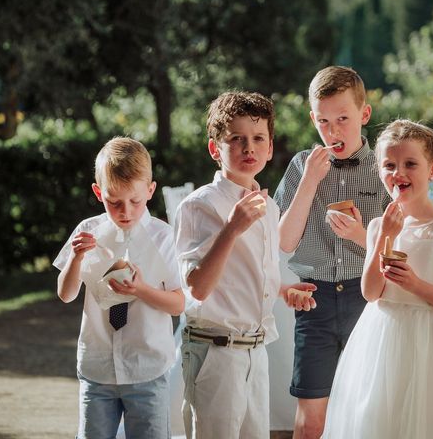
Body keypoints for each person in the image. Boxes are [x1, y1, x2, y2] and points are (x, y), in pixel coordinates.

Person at [322, 119, 433, 438]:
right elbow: (371, 292)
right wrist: (386, 236)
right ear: (378, 171)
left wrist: (417, 285)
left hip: (428, 345)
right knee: (378, 420)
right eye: (389, 165)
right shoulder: (377, 226)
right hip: (380, 342)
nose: (398, 173)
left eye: (410, 164)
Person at [174, 91, 316, 439]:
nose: (248, 148)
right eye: (236, 139)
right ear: (214, 149)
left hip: (255, 351)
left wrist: (284, 290)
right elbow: (197, 288)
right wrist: (232, 228)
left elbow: (248, 275)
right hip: (214, 352)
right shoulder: (199, 207)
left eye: (257, 139)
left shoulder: (267, 206)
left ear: (270, 148)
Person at [274, 66, 389, 439]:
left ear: (364, 115)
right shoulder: (300, 166)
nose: (334, 131)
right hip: (315, 299)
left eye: (343, 118)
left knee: (369, 409)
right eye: (324, 121)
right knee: (310, 420)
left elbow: (401, 247)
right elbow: (284, 241)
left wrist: (360, 235)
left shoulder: (383, 169)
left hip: (368, 297)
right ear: (313, 119)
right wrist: (309, 181)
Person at [54, 137, 185, 439]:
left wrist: (141, 290)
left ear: (150, 191)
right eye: (114, 202)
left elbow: (179, 305)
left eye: (135, 201)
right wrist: (75, 258)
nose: (125, 211)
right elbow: (66, 294)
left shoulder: (163, 237)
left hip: (147, 369)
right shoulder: (87, 232)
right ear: (98, 193)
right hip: (97, 368)